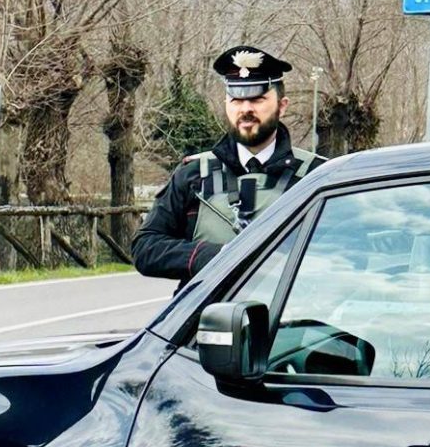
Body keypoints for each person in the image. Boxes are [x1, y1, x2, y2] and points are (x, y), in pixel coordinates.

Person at [132, 45, 325, 284]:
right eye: (236, 99)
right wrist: (213, 257)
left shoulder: (317, 177)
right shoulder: (193, 175)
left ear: (282, 106)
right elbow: (146, 247)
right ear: (226, 103)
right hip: (209, 308)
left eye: (257, 99)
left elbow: (345, 255)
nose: (246, 109)